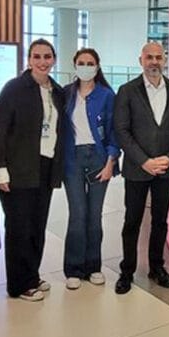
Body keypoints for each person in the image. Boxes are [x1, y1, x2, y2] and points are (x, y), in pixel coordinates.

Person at [0, 39, 66, 302]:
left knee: (37, 225)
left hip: (44, 168)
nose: (42, 61)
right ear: (29, 59)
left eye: (47, 57)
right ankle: (18, 284)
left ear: (54, 59)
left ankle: (32, 275)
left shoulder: (57, 91)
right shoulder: (14, 89)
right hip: (18, 168)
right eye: (37, 57)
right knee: (19, 227)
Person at [113, 42, 169, 295]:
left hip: (165, 169)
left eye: (158, 57)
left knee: (160, 221)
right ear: (141, 60)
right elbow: (122, 131)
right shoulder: (127, 91)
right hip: (137, 168)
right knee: (132, 221)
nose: (154, 62)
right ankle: (127, 270)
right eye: (149, 57)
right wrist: (144, 161)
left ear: (165, 60)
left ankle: (156, 267)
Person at [61, 49, 120, 290]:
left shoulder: (107, 95)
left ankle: (93, 266)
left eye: (90, 63)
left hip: (98, 158)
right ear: (74, 65)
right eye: (81, 63)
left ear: (97, 67)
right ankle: (74, 268)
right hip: (72, 159)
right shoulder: (65, 94)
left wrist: (110, 163)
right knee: (78, 215)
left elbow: (115, 131)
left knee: (95, 217)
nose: (86, 66)